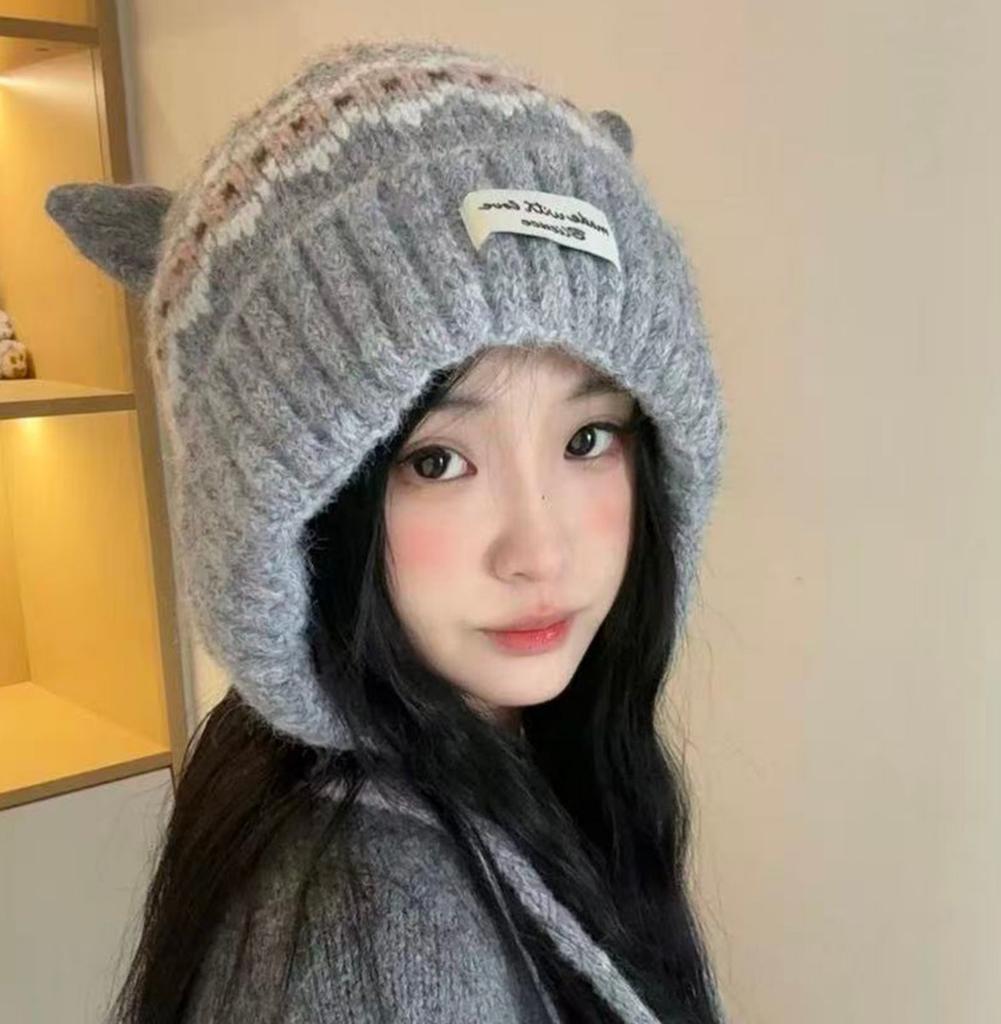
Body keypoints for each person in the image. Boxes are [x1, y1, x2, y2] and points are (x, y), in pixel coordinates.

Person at [45, 38, 728, 1024]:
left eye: (587, 439)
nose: (541, 551)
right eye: (436, 461)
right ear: (297, 515)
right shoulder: (381, 948)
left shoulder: (497, 757)